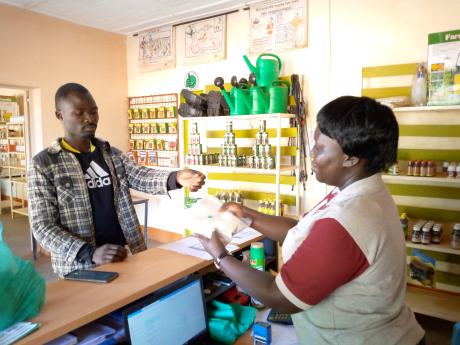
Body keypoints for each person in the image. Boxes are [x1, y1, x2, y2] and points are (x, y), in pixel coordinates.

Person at [198, 96, 425, 345]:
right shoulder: (359, 192)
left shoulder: (349, 217)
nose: (311, 153)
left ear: (351, 158)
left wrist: (221, 257)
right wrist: (249, 215)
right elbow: (301, 231)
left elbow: (279, 296)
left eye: (320, 147)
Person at [28, 83, 205, 277]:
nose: (89, 119)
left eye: (94, 112)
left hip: (127, 254)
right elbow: (42, 225)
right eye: (79, 113)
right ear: (60, 115)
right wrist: (90, 252)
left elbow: (141, 176)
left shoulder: (110, 154)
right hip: (81, 268)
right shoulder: (44, 163)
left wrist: (176, 177)